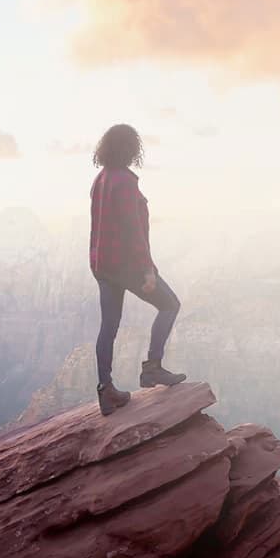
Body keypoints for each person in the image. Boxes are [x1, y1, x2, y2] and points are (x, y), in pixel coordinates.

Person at [89, 123, 184, 415]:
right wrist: (147, 269)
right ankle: (152, 368)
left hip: (102, 265)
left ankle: (106, 390)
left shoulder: (100, 179)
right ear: (130, 149)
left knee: (109, 326)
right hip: (126, 264)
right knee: (170, 305)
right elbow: (133, 231)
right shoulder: (125, 182)